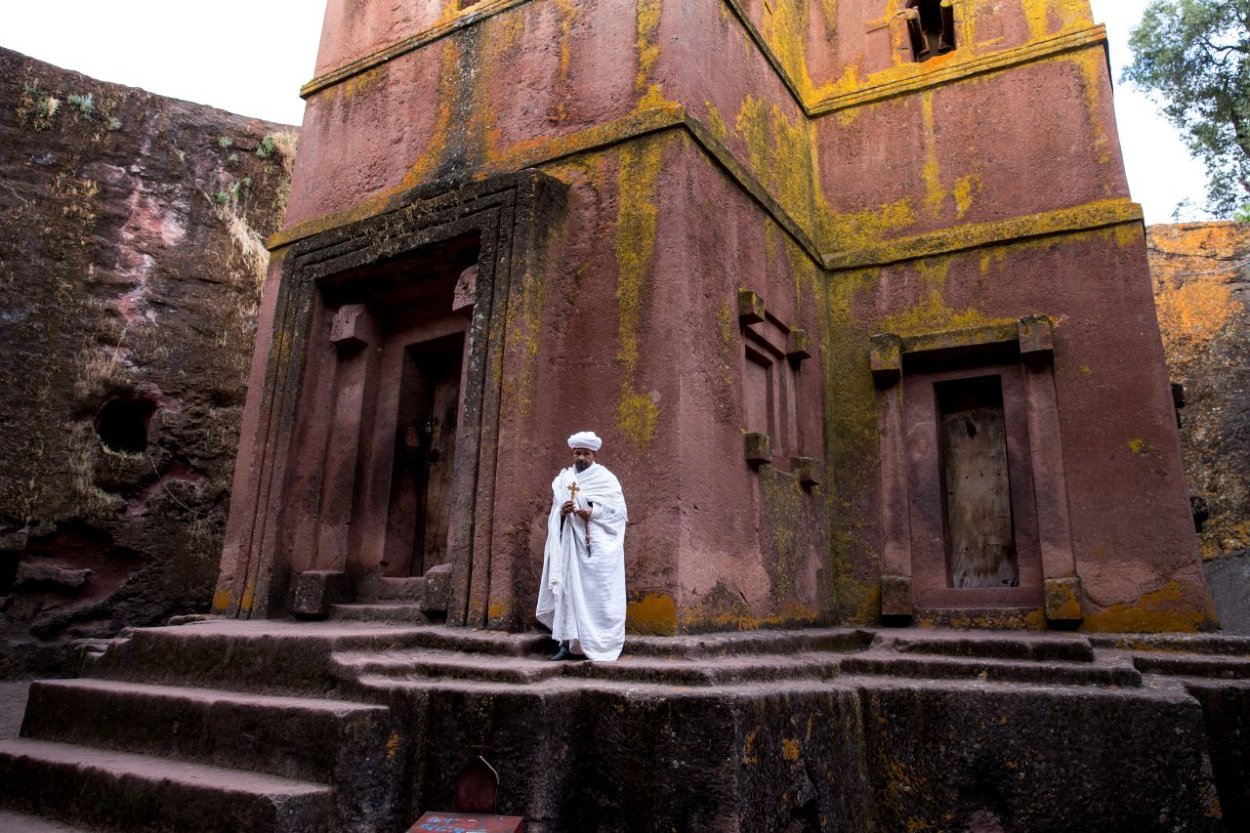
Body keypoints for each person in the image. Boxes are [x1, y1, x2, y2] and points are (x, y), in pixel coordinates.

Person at [535, 431, 627, 661]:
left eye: (586, 453)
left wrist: (593, 511)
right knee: (567, 593)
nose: (581, 457)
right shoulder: (563, 480)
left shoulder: (607, 479)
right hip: (569, 548)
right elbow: (555, 513)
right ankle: (567, 645)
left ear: (594, 454)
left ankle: (596, 643)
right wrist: (562, 513)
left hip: (597, 549)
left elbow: (620, 513)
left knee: (595, 595)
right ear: (572, 453)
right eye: (578, 453)